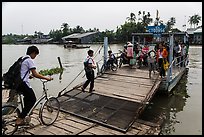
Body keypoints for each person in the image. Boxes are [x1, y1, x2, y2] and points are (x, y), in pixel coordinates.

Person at [16, 45, 53, 125]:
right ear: (33, 53)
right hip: (23, 84)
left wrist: (28, 76)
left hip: (18, 83)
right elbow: (35, 74)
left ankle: (25, 116)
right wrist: (46, 78)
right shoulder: (29, 60)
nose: (35, 56)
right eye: (35, 54)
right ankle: (20, 118)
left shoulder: (23, 58)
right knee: (33, 99)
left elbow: (22, 71)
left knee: (27, 98)